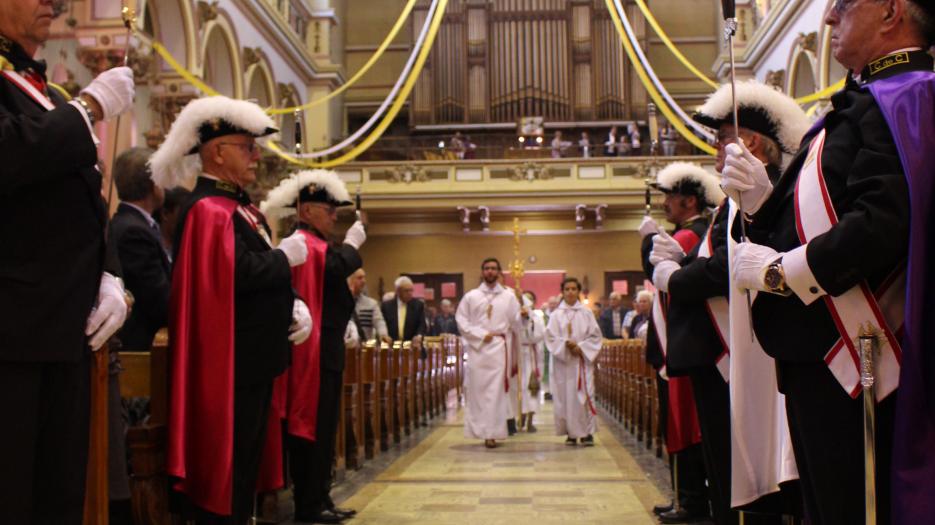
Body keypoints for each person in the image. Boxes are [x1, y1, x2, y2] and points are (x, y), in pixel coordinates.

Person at [723, 3, 935, 522]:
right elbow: (818, 218)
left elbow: (882, 222)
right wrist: (761, 205)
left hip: (863, 364)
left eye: (843, 5)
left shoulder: (909, 96)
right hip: (820, 361)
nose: (827, 18)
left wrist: (779, 273)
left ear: (890, 11)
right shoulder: (858, 107)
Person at [0, 2, 135, 521]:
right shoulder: (67, 107)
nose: (51, 3)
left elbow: (91, 204)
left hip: (66, 330)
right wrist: (88, 108)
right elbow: (8, 153)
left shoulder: (50, 96)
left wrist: (111, 275)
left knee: (59, 495)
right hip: (11, 329)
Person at [149, 95, 312, 524]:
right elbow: (235, 273)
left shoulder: (239, 209)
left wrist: (293, 303)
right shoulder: (208, 210)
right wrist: (284, 258)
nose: (256, 155)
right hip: (231, 366)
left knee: (245, 473)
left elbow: (255, 274)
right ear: (218, 152)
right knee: (231, 471)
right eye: (247, 146)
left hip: (253, 362)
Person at [652, 81, 809, 525]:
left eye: (722, 138)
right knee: (725, 467)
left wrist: (675, 277)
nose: (716, 149)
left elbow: (728, 264)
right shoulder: (735, 198)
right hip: (720, 351)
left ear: (751, 143)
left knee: (739, 466)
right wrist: (683, 263)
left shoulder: (760, 193)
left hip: (742, 350)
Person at [261, 169, 366, 524]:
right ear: (306, 210)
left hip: (327, 351)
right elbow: (334, 269)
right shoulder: (302, 244)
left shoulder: (316, 243)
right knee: (313, 431)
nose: (335, 216)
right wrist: (352, 245)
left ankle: (321, 496)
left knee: (325, 430)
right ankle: (309, 504)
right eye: (328, 209)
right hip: (312, 357)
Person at [639, 162, 715, 523]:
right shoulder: (691, 232)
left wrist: (646, 242)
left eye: (670, 196)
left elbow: (655, 272)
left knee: (684, 424)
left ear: (689, 201)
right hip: (683, 346)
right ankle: (686, 497)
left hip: (682, 346)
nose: (664, 203)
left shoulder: (688, 235)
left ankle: (690, 499)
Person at [456, 258, 523, 448]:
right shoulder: (471, 296)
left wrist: (523, 315)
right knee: (478, 391)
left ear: (499, 272)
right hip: (478, 349)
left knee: (496, 392)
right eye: (487, 268)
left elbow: (516, 323)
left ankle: (492, 433)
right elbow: (461, 321)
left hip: (500, 348)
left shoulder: (509, 297)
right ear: (482, 271)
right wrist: (480, 334)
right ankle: (480, 430)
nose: (490, 271)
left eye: (494, 268)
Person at [110, 146, 170, 352]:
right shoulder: (133, 232)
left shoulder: (137, 224)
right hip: (141, 346)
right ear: (153, 184)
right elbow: (158, 300)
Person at [545, 277, 603, 446]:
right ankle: (571, 432)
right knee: (565, 397)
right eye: (567, 289)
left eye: (573, 289)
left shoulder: (586, 313)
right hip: (563, 363)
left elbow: (595, 336)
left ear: (578, 292)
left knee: (584, 395)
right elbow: (550, 337)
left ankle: (587, 433)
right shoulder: (556, 315)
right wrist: (566, 345)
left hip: (581, 361)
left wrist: (581, 347)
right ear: (562, 292)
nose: (570, 292)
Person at [381, 276, 427, 353]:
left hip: (412, 347)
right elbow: (383, 324)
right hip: (392, 347)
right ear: (398, 291)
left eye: (411, 290)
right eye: (406, 291)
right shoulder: (386, 306)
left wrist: (419, 336)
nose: (410, 293)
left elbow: (422, 324)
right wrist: (385, 336)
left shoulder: (418, 305)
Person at [348, 269, 391, 343]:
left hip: (365, 346)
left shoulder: (371, 303)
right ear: (350, 280)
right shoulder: (339, 303)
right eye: (359, 278)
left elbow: (379, 322)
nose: (364, 281)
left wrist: (383, 335)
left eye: (364, 277)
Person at [156, 186, 191, 258]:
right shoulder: (149, 244)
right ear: (165, 214)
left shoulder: (187, 249)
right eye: (183, 215)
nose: (188, 221)